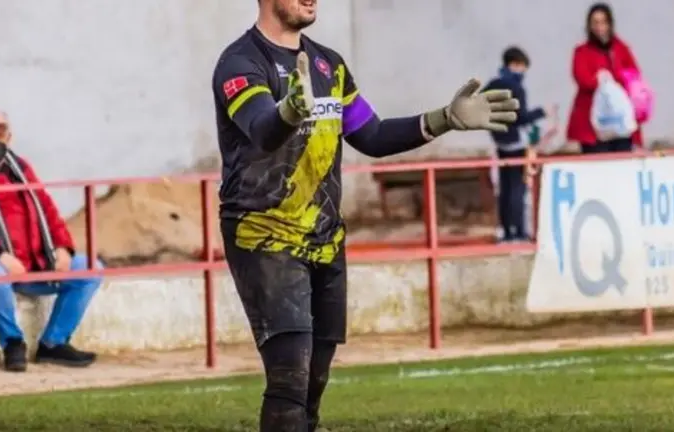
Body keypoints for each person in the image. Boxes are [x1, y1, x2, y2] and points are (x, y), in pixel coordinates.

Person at [211, 1, 519, 430]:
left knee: (314, 381)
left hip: (324, 236)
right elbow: (262, 129)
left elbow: (371, 135)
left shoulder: (329, 65)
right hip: (264, 236)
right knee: (289, 376)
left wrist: (444, 119)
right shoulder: (240, 63)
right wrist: (289, 111)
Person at [0, 110, 102, 372]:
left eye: (1, 129)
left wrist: (62, 247)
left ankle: (54, 343)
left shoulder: (20, 169)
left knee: (91, 268)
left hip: (31, 262)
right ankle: (12, 343)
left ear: (9, 137)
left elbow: (46, 208)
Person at [484, 47, 558, 242]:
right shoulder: (517, 88)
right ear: (515, 65)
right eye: (523, 67)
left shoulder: (492, 85)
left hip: (499, 141)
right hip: (516, 142)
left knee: (505, 187)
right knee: (518, 188)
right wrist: (542, 112)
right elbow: (521, 118)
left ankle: (505, 230)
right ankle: (517, 230)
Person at [567, 2, 643, 153]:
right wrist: (600, 80)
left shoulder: (621, 48)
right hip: (592, 124)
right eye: (595, 22)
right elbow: (582, 79)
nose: (599, 27)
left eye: (603, 22)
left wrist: (616, 80)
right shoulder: (582, 51)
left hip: (621, 122)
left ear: (610, 24)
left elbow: (633, 76)